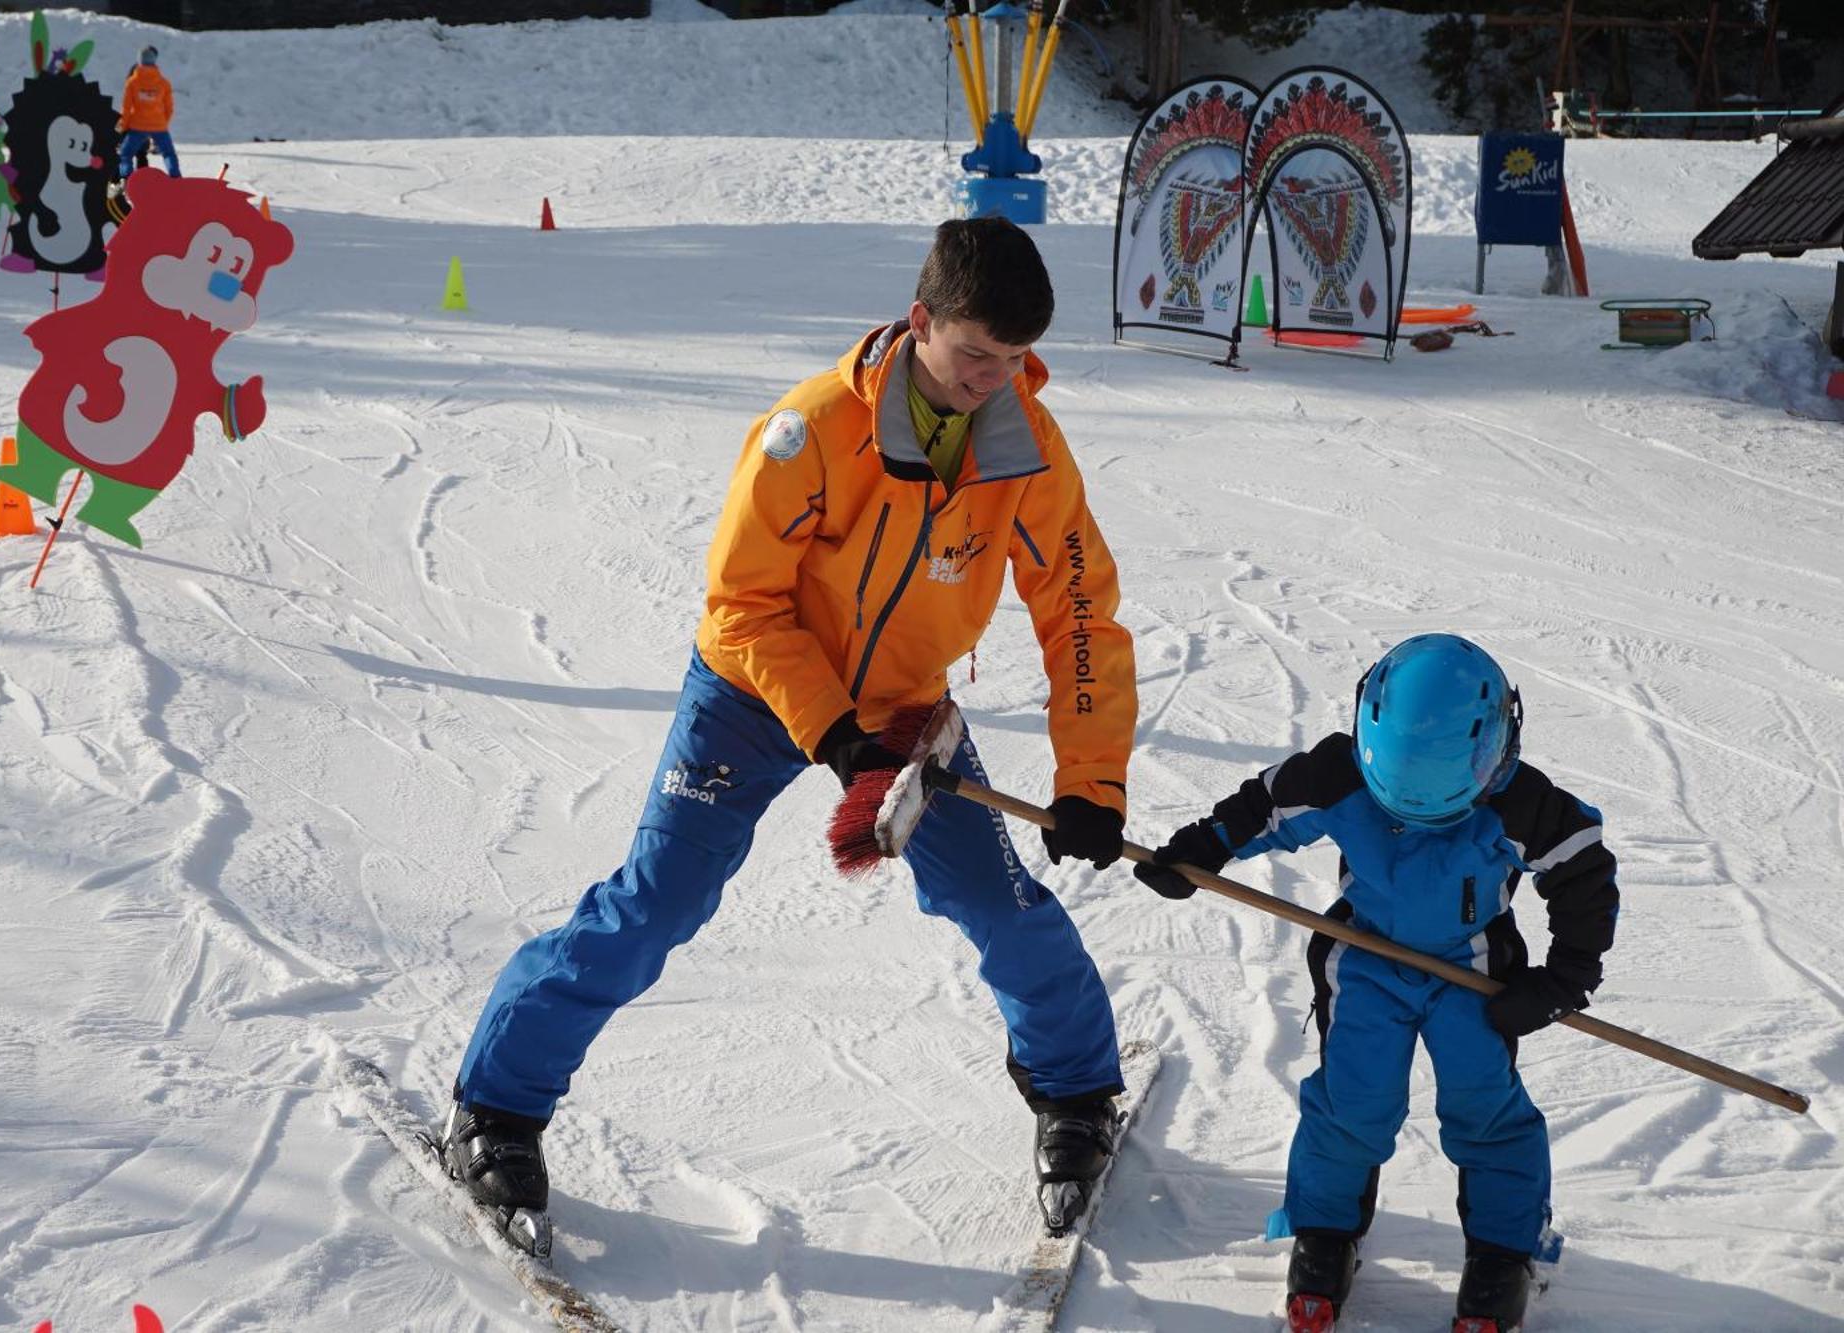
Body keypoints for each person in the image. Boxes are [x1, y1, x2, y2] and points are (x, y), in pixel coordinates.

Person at [448, 217, 1140, 1247]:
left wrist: (1093, 782)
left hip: (905, 704)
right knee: (655, 903)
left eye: (1013, 361)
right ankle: (495, 1104)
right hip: (754, 690)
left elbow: (1078, 613)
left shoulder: (1024, 453)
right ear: (920, 322)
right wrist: (827, 730)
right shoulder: (811, 430)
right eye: (973, 356)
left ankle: (1076, 1089)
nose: (993, 380)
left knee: (993, 899)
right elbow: (742, 604)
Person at [1133, 634, 1618, 1333]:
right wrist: (1201, 850)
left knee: (1485, 1111)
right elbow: (1263, 807)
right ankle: (1326, 1235)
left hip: (1474, 976)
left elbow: (1583, 874)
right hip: (1366, 961)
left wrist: (1565, 978)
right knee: (1352, 1105)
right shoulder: (1340, 774)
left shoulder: (1523, 803)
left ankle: (1503, 1254)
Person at [116, 45, 179, 179]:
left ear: (139, 61)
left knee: (126, 154)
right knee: (168, 154)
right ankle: (176, 179)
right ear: (154, 60)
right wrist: (163, 123)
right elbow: (169, 108)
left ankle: (127, 179)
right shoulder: (163, 83)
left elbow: (126, 108)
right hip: (159, 126)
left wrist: (123, 127)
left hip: (138, 126)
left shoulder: (132, 82)